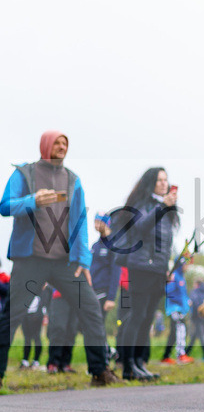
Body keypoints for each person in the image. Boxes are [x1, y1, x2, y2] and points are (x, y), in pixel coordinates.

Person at [0, 130, 119, 388]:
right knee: (12, 316)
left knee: (90, 310)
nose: (62, 146)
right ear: (45, 145)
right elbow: (5, 206)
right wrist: (32, 200)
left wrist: (83, 261)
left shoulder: (73, 180)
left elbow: (80, 222)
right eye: (57, 142)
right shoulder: (25, 173)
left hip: (65, 263)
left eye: (66, 143)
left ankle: (100, 372)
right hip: (31, 260)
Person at [111, 166, 181, 381]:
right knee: (137, 316)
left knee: (147, 317)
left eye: (166, 180)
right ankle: (128, 365)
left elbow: (165, 244)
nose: (163, 183)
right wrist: (162, 207)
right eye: (159, 180)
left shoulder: (166, 210)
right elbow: (140, 227)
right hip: (141, 267)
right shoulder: (143, 205)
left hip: (158, 270)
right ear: (150, 182)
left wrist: (167, 268)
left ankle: (139, 363)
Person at [89, 212, 121, 362]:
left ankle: (104, 358)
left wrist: (111, 297)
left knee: (98, 326)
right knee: (93, 327)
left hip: (104, 293)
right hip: (92, 291)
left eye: (99, 222)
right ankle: (109, 351)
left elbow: (116, 272)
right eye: (94, 221)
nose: (96, 225)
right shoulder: (95, 246)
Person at [160, 266, 193, 365]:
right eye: (186, 264)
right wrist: (179, 302)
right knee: (181, 329)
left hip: (181, 309)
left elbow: (183, 293)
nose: (187, 267)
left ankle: (166, 356)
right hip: (174, 308)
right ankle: (181, 354)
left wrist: (187, 301)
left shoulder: (181, 277)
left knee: (174, 333)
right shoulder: (174, 276)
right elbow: (168, 291)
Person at [185, 279, 204, 361]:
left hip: (196, 317)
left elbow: (194, 303)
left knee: (201, 336)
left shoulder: (195, 292)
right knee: (194, 336)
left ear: (197, 284)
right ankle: (185, 354)